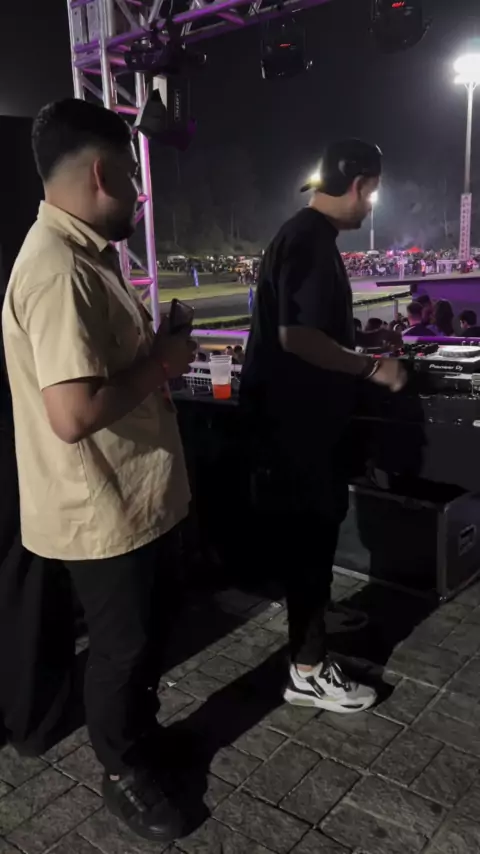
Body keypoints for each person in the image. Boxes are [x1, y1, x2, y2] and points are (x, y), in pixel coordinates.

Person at [2, 99, 196, 844]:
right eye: (133, 178)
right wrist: (166, 361)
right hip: (103, 508)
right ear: (101, 173)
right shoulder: (57, 270)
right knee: (121, 650)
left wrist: (156, 350)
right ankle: (121, 771)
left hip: (134, 494)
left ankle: (138, 743)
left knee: (144, 639)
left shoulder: (82, 256)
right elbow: (73, 413)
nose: (139, 195)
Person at [240, 139, 406, 714]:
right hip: (299, 428)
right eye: (373, 191)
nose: (371, 202)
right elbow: (298, 337)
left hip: (295, 425)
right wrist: (373, 367)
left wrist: (360, 346)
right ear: (359, 184)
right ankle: (308, 671)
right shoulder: (310, 240)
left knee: (311, 542)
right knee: (310, 542)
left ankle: (316, 618)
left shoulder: (303, 234)